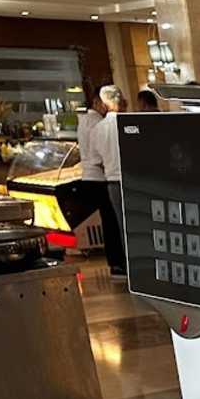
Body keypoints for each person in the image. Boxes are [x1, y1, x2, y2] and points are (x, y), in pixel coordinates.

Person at [77, 84, 125, 276]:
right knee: (118, 223)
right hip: (112, 179)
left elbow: (95, 158)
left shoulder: (94, 125)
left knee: (114, 223)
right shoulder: (120, 123)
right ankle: (122, 262)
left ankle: (118, 263)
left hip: (106, 178)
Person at [94, 85, 126, 281]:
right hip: (132, 179)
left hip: (112, 181)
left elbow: (97, 159)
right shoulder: (128, 122)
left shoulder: (98, 128)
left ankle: (129, 266)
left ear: (104, 103)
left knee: (122, 225)